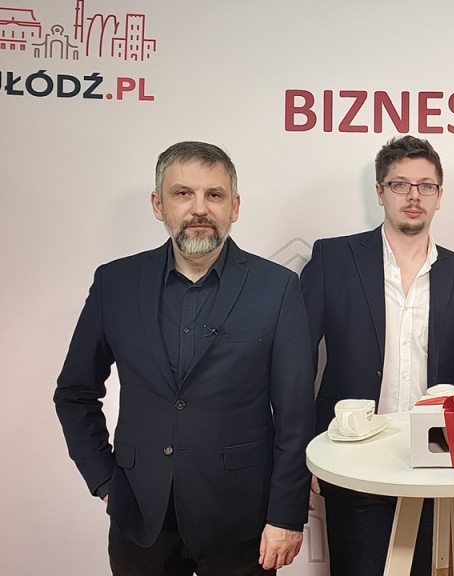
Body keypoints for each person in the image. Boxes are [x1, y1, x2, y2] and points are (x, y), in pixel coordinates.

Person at [53, 141, 315, 575]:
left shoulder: (277, 288)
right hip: (139, 518)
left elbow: (296, 414)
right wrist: (103, 480)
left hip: (242, 521)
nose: (199, 209)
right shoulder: (115, 283)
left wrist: (286, 515)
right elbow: (75, 393)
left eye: (214, 195)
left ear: (235, 207)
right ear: (159, 204)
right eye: (182, 194)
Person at [300, 135, 454, 576]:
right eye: (400, 184)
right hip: (352, 453)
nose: (414, 196)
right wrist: (301, 455)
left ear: (440, 195)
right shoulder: (333, 259)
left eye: (426, 186)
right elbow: (295, 363)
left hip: (436, 458)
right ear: (380, 192)